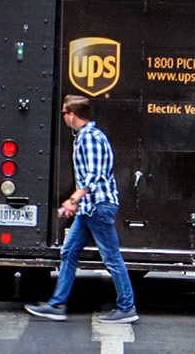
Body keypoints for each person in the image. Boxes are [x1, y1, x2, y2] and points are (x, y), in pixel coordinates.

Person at [31, 92, 137, 322]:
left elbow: (94, 173)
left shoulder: (89, 137)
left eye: (64, 113)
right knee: (69, 252)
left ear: (72, 115)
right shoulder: (85, 136)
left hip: (98, 207)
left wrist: (73, 199)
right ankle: (57, 304)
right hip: (89, 209)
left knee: (111, 258)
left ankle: (127, 307)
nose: (63, 117)